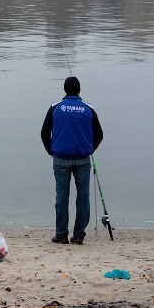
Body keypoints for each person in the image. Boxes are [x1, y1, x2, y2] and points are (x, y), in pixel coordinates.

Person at [40, 76, 103, 245]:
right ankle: (79, 234)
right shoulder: (88, 109)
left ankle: (61, 234)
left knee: (62, 197)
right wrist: (90, 149)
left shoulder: (55, 108)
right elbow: (99, 135)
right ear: (79, 90)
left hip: (60, 158)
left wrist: (50, 152)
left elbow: (44, 133)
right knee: (83, 197)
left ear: (64, 90)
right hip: (82, 158)